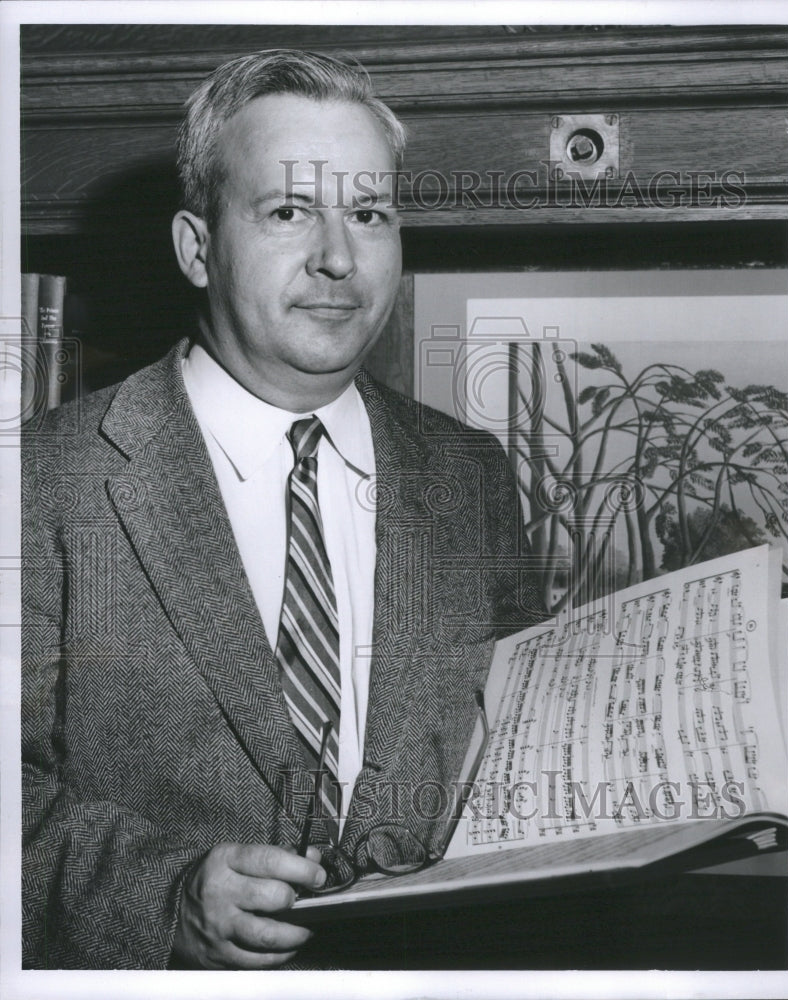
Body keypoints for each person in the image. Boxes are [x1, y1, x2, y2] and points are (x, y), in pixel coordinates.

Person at [22, 49, 536, 970]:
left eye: (368, 213)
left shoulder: (470, 475)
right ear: (196, 246)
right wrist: (164, 900)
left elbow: (529, 740)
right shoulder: (39, 481)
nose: (338, 257)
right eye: (289, 211)